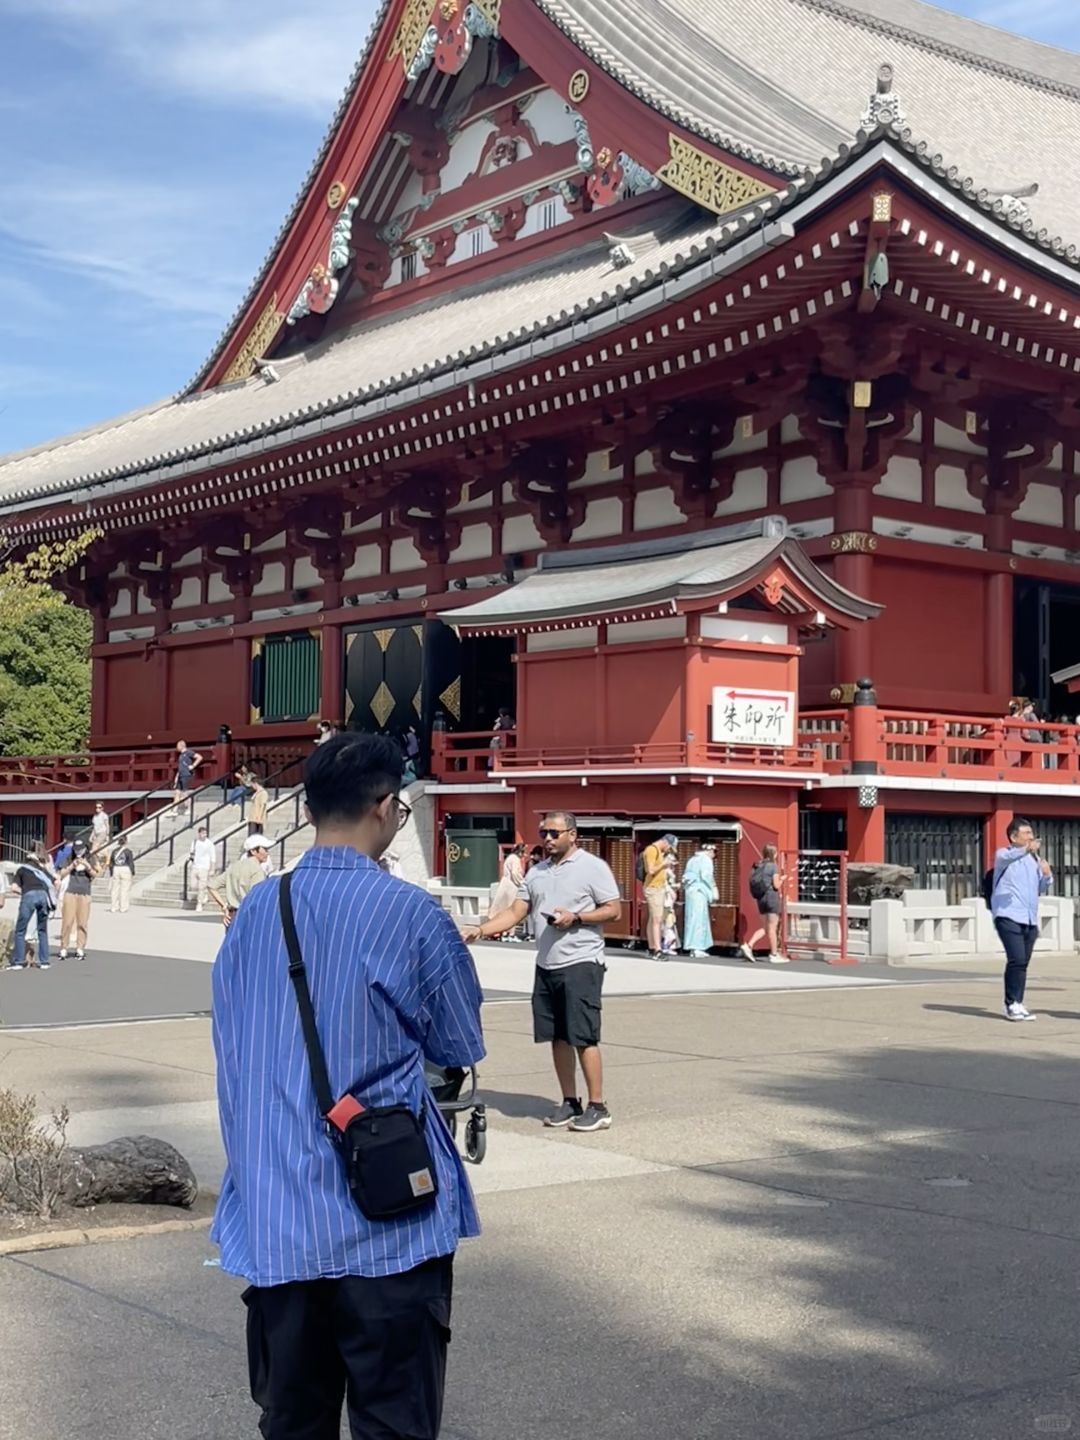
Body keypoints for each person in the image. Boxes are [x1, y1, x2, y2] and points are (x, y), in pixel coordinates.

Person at [211, 732, 484, 1439]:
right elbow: (458, 1042)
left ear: (308, 811)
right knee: (394, 1420)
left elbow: (231, 1045)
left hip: (278, 1217)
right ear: (386, 807)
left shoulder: (253, 918)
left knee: (293, 1421)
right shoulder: (411, 914)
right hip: (385, 1220)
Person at [464, 809, 621, 1132]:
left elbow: (614, 910)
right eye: (543, 833)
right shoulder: (537, 872)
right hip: (546, 964)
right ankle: (570, 1101)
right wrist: (480, 930)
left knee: (583, 1036)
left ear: (572, 835)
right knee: (556, 1037)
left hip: (581, 962)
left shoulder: (593, 868)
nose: (547, 839)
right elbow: (516, 912)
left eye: (553, 833)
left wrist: (576, 918)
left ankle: (598, 1106)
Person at [990, 816, 1052, 1021]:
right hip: (1008, 915)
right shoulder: (1003, 855)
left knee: (1023, 962)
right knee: (1016, 958)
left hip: (1029, 919)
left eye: (1031, 834)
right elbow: (1008, 858)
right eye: (1026, 834)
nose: (1031, 838)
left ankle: (1018, 1002)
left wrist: (1046, 875)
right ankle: (1011, 1004)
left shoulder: (1033, 860)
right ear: (1013, 836)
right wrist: (1027, 849)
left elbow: (1040, 889)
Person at [208, 834, 271, 927]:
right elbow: (257, 898)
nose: (267, 853)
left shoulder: (234, 866)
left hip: (232, 915)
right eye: (265, 849)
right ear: (253, 851)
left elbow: (212, 886)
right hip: (250, 916)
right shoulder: (257, 870)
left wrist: (224, 907)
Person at [740, 844, 788, 964]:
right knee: (772, 928)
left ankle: (749, 945)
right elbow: (776, 885)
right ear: (774, 854)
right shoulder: (773, 867)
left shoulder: (758, 865)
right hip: (771, 898)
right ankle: (774, 954)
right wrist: (782, 879)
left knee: (766, 928)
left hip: (760, 899)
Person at [10, 848, 55, 970]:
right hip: (43, 897)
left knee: (20, 930)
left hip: (28, 896)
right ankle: (44, 961)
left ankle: (19, 961)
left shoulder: (22, 870)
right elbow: (55, 881)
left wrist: (25, 891)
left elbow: (14, 887)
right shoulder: (41, 871)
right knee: (42, 930)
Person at [59, 841, 98, 961]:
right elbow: (61, 873)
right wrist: (71, 866)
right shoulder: (69, 858)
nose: (78, 852)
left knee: (82, 922)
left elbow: (95, 874)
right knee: (67, 921)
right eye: (76, 849)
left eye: (80, 849)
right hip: (70, 891)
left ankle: (80, 947)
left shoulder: (91, 858)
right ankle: (64, 947)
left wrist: (87, 866)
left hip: (84, 893)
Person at [641, 833, 676, 959]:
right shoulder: (651, 850)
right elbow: (650, 870)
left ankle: (652, 947)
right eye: (669, 847)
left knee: (653, 919)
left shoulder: (658, 852)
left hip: (658, 888)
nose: (668, 850)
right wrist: (664, 864)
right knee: (657, 920)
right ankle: (657, 950)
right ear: (666, 842)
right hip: (654, 889)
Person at [683, 842, 719, 958]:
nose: (714, 856)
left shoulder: (692, 860)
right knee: (699, 919)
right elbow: (706, 875)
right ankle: (697, 946)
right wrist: (713, 887)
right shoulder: (706, 860)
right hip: (699, 891)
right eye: (715, 852)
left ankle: (693, 946)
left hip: (690, 891)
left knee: (692, 918)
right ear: (710, 851)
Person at [488, 843, 526, 939]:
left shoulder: (509, 857)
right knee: (511, 909)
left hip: (505, 884)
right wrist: (522, 882)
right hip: (512, 886)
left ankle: (501, 931)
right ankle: (510, 933)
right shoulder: (515, 859)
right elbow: (515, 873)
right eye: (523, 852)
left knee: (501, 908)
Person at [660, 850, 680, 958]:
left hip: (669, 898)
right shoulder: (664, 871)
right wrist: (672, 888)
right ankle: (667, 944)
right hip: (665, 898)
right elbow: (665, 884)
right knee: (667, 921)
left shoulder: (668, 871)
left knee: (669, 921)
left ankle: (668, 944)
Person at [190, 827, 216, 913]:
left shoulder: (209, 843)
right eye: (202, 833)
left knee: (201, 886)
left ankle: (199, 903)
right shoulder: (195, 842)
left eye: (205, 833)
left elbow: (213, 856)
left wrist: (212, 868)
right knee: (193, 885)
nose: (204, 835)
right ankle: (204, 893)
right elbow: (192, 853)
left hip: (205, 866)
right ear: (199, 834)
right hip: (195, 866)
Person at [108, 839, 136, 914]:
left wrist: (111, 873)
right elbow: (131, 863)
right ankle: (123, 907)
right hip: (125, 868)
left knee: (114, 889)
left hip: (116, 868)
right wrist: (132, 872)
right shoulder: (128, 851)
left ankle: (114, 907)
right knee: (124, 889)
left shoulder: (114, 851)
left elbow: (111, 863)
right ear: (126, 842)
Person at [173, 740, 204, 807]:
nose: (177, 747)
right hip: (180, 775)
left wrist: (193, 766)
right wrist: (177, 776)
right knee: (177, 792)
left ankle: (188, 808)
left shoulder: (188, 752)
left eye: (177, 746)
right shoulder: (180, 755)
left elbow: (199, 757)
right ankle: (174, 809)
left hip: (186, 775)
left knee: (185, 792)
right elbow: (180, 766)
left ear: (181, 746)